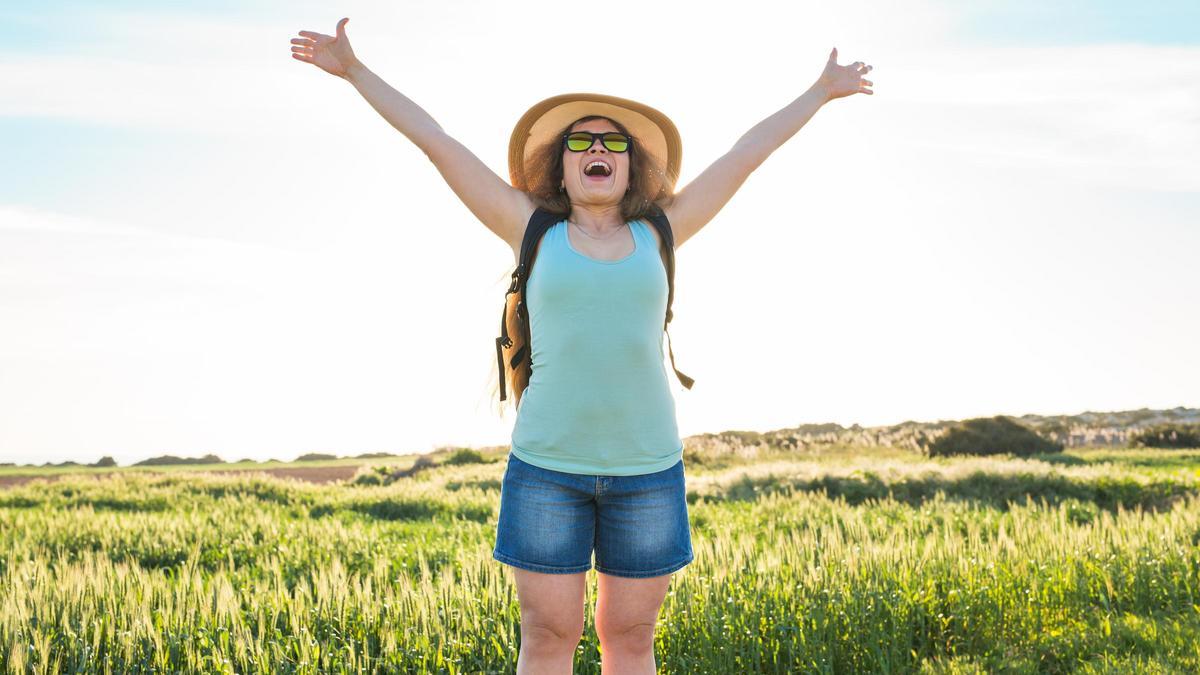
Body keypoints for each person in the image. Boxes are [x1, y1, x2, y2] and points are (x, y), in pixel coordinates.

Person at [290, 17, 873, 674]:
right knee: (547, 635)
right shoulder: (528, 226)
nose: (599, 147)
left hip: (647, 471)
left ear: (632, 166)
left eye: (613, 141)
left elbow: (744, 153)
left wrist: (820, 91)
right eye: (582, 141)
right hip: (546, 470)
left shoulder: (663, 232)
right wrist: (355, 70)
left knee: (630, 638)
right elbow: (437, 142)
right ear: (561, 168)